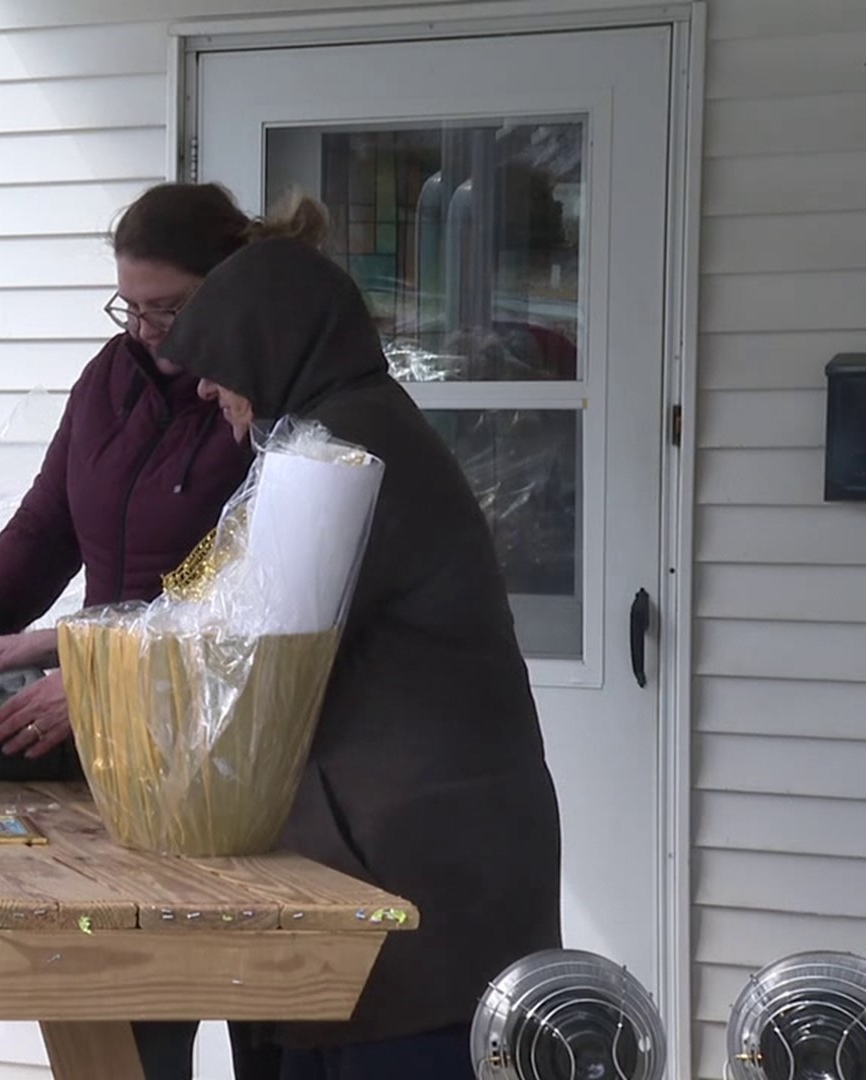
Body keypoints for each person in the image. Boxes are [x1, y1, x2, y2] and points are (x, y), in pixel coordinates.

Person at [142, 236, 563, 1079]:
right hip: (418, 852)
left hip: (422, 872)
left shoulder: (344, 452)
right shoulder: (333, 433)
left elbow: (242, 652)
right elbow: (221, 607)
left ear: (272, 343)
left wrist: (92, 691)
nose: (205, 385)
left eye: (219, 358)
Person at [0, 183, 324, 761]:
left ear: (228, 289)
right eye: (130, 307)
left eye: (168, 308)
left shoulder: (259, 402)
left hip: (209, 717)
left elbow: (244, 596)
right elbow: (48, 523)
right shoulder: (108, 379)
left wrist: (95, 667)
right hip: (98, 699)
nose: (144, 329)